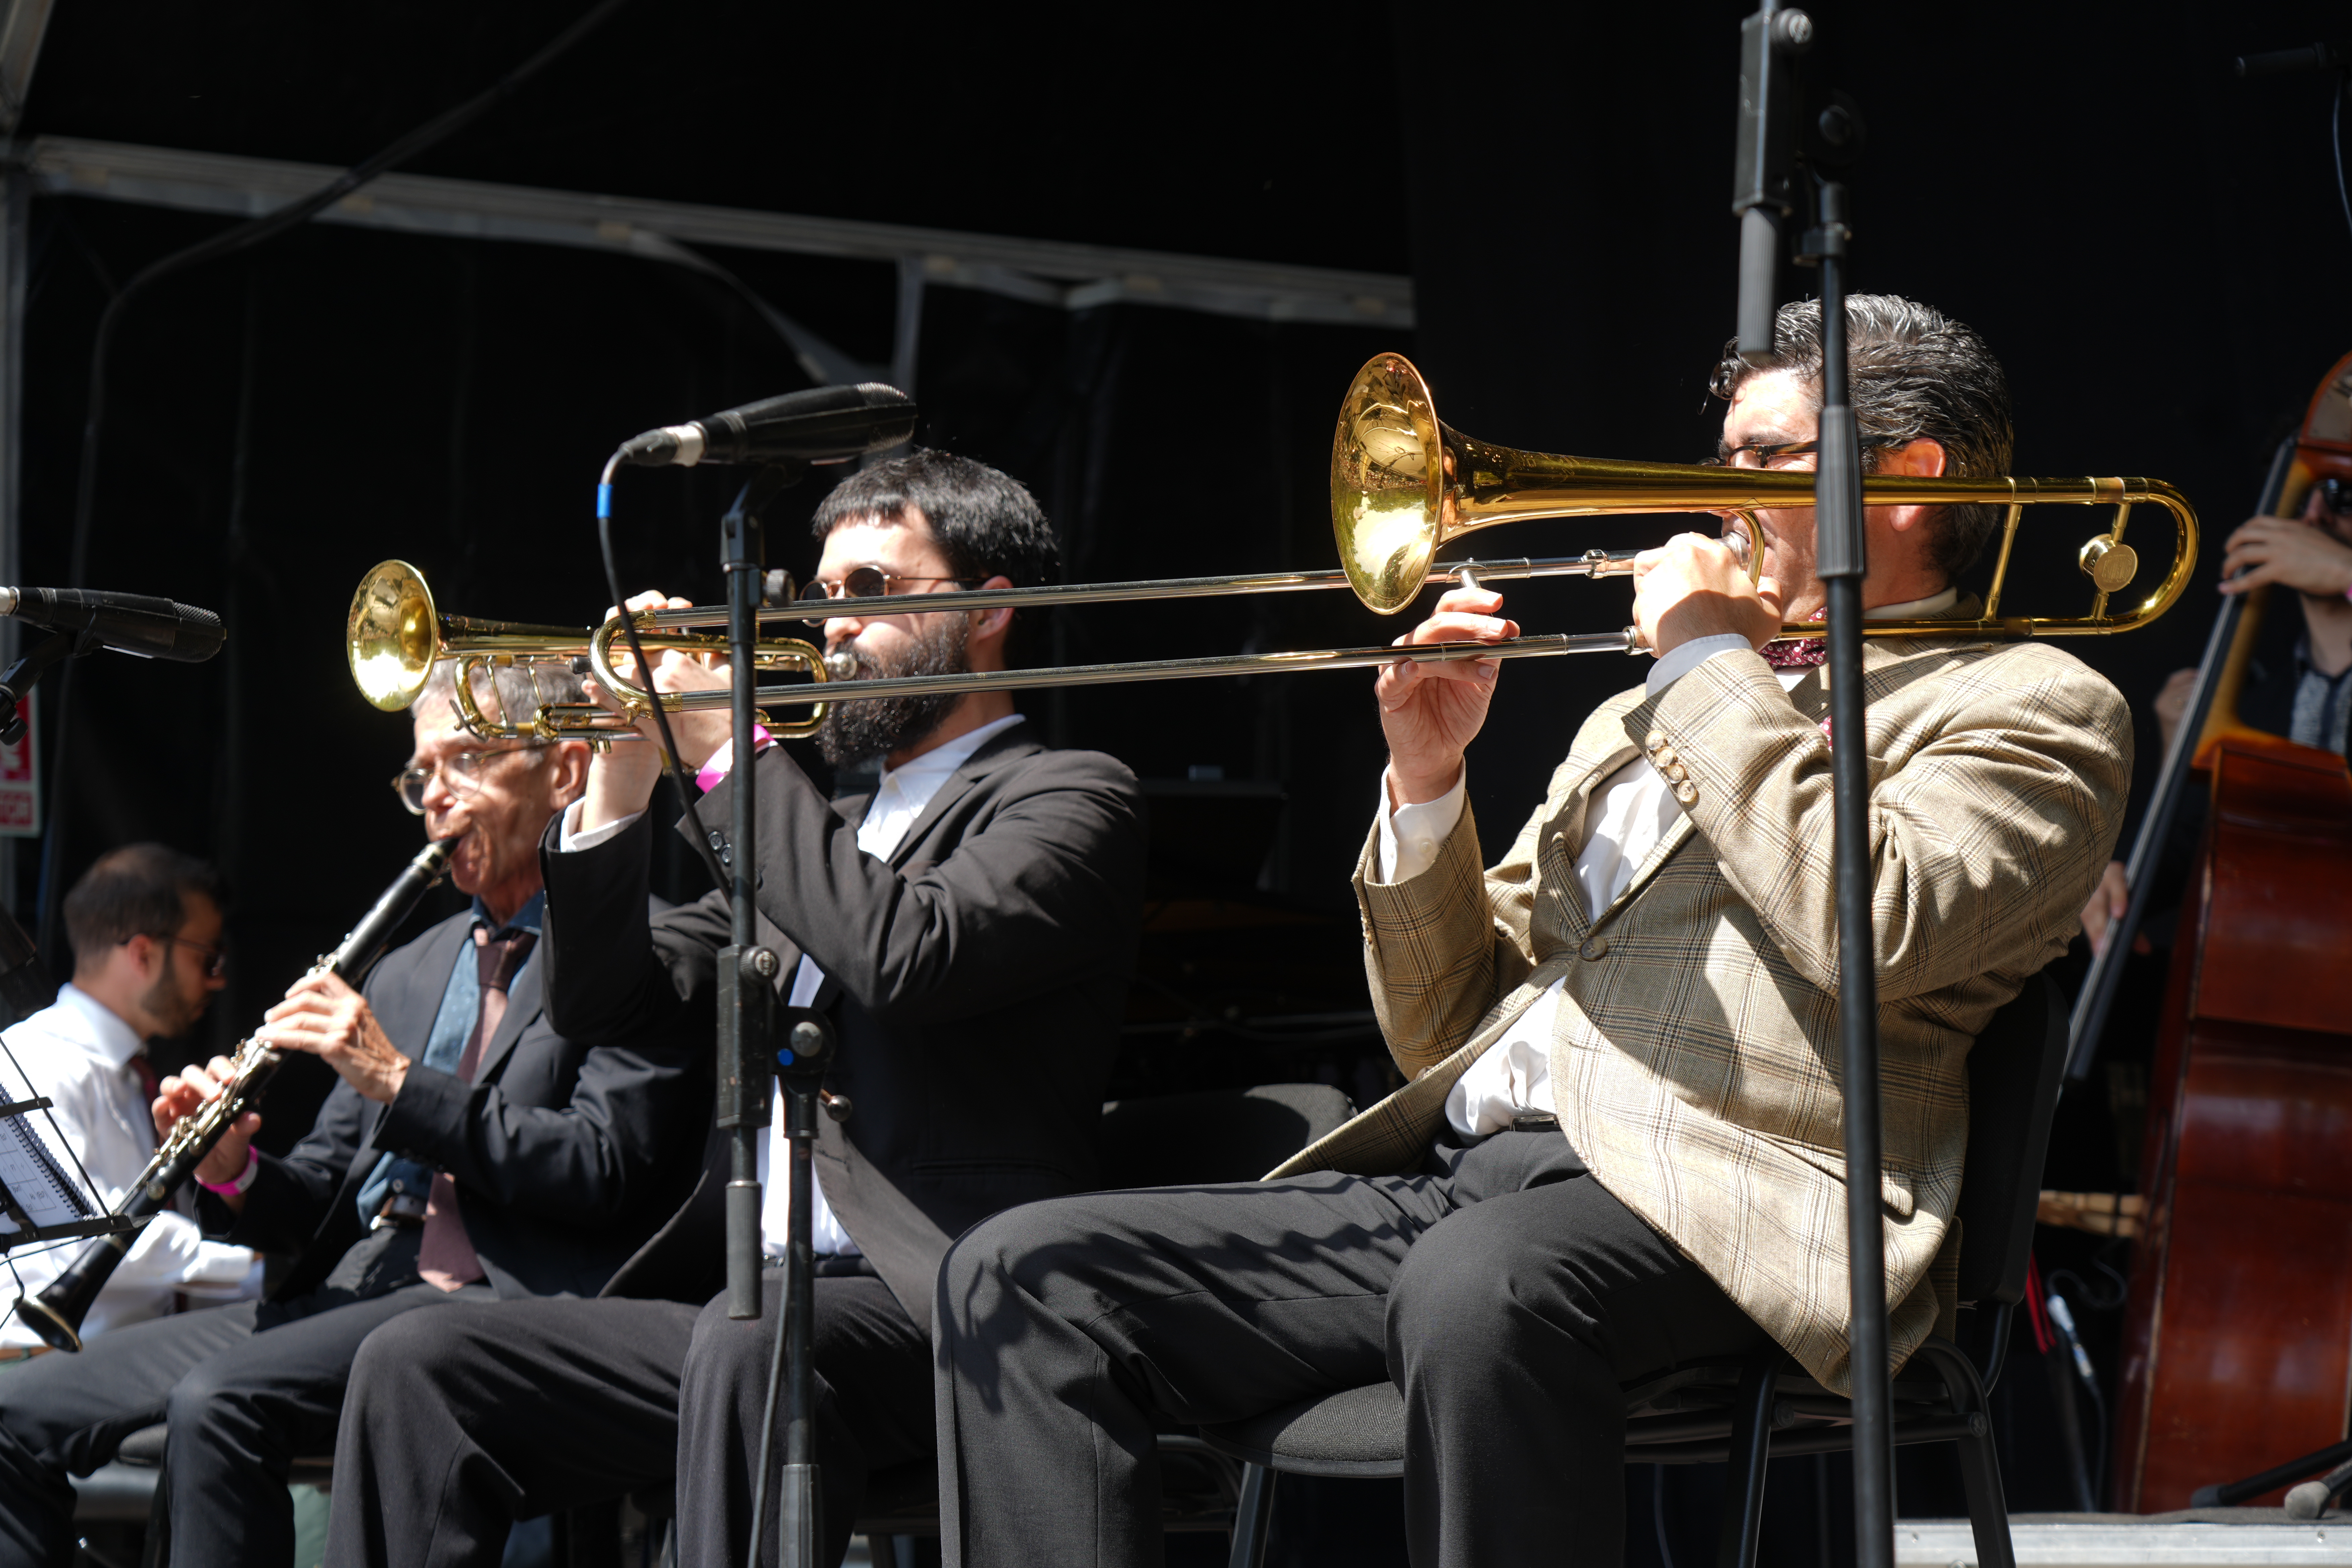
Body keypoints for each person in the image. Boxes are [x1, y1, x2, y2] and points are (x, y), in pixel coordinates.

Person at [931, 297, 2131, 1568]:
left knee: (1481, 1287)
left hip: (1737, 1196)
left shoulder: (2030, 704)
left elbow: (1875, 925)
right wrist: (1426, 785)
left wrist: (1702, 667)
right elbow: (1443, 1030)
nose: (1708, 491)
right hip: (1475, 1186)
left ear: (1904, 474)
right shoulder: (1632, 717)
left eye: (1759, 457)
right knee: (1022, 1277)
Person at [327, 450, 1148, 1568]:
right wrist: (621, 771)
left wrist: (732, 750)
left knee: (745, 1348)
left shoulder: (1069, 794)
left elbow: (905, 955)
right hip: (758, 1301)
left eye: (873, 591)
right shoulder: (820, 823)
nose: (834, 624)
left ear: (987, 609)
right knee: (418, 1367)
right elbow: (607, 998)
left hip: (950, 1291)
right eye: (820, 595)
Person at [0, 662, 710, 1568]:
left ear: (567, 773)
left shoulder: (649, 951)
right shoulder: (412, 964)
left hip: (500, 1301)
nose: (437, 801)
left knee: (218, 1403)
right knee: (15, 1415)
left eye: (467, 764)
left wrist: (401, 1081)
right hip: (354, 1292)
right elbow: (324, 1192)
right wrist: (234, 1171)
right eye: (423, 776)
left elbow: (604, 1171)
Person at [0, 846, 260, 1359]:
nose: (219, 979)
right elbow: (84, 1237)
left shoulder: (131, 1076)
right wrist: (255, 1268)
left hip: (130, 1360)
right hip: (47, 1372)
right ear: (143, 953)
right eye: (208, 958)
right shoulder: (31, 1061)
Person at [2078, 474, 2352, 955]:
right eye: (2301, 499)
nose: (2314, 517)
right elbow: (2199, 872)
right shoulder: (2249, 706)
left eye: (2342, 495)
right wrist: (2115, 882)